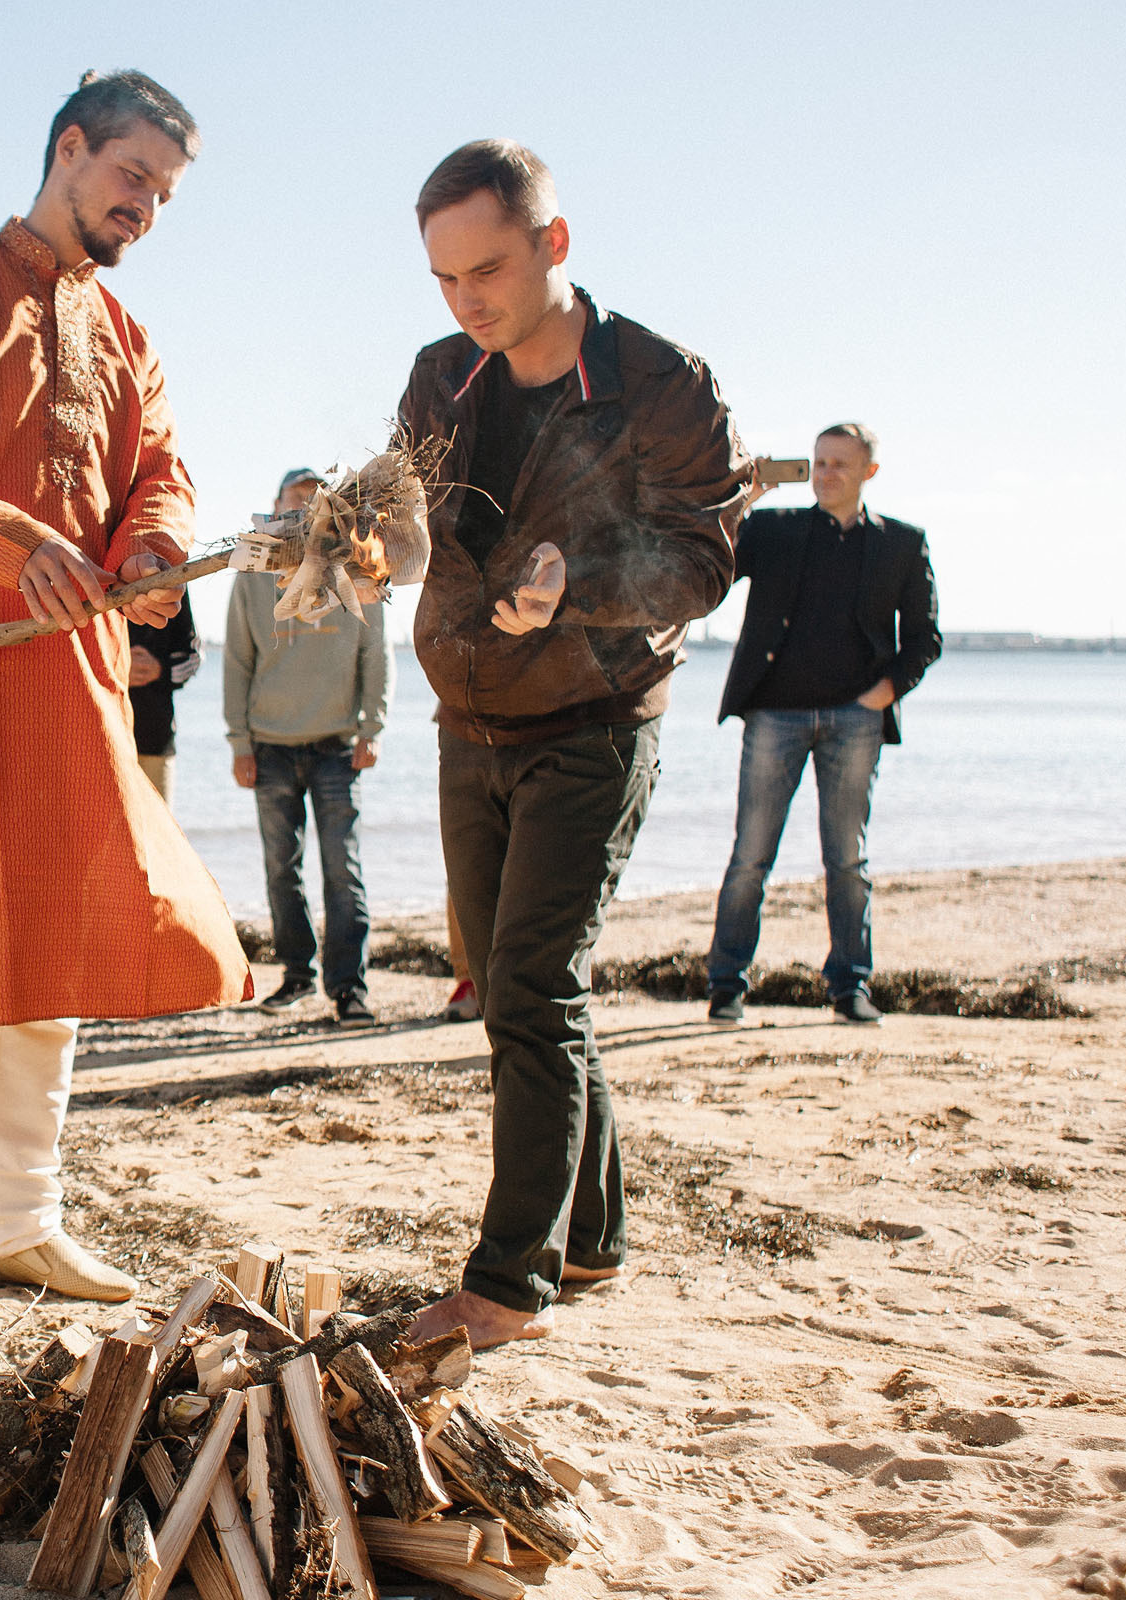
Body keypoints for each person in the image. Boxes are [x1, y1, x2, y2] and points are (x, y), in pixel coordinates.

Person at [0, 71, 251, 1356]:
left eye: (164, 195)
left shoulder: (126, 333)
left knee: (54, 955)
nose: (146, 207)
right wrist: (16, 540)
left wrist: (152, 547)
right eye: (133, 177)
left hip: (71, 672)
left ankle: (20, 1217)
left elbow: (161, 472)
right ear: (70, 149)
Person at [395, 141, 749, 1350]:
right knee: (508, 983)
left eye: (486, 269)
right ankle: (592, 1234)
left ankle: (508, 1281)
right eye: (444, 278)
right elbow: (408, 526)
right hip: (466, 712)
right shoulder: (441, 375)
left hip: (595, 720)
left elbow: (704, 560)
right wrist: (337, 542)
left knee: (536, 987)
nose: (467, 302)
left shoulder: (662, 382)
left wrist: (577, 581)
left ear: (554, 243)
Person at [705, 423, 940, 1028]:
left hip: (853, 721)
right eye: (819, 462)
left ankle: (850, 988)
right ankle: (726, 986)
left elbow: (924, 639)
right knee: (750, 856)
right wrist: (744, 497)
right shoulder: (776, 530)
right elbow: (713, 565)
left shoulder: (902, 545)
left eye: (839, 464)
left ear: (869, 472)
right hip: (773, 713)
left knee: (846, 860)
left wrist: (884, 692)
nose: (826, 473)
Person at [225, 466, 390, 1022]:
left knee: (342, 869)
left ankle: (349, 989)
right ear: (274, 510)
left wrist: (373, 727)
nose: (300, 516)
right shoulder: (252, 573)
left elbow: (375, 655)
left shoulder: (355, 565)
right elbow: (237, 659)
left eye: (310, 506)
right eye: (290, 506)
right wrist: (238, 741)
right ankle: (297, 977)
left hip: (336, 746)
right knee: (281, 870)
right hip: (269, 746)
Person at [126, 597, 200, 804]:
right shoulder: (95, 570)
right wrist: (116, 667)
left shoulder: (172, 576)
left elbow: (193, 657)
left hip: (155, 740)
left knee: (157, 834)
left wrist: (160, 670)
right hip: (98, 741)